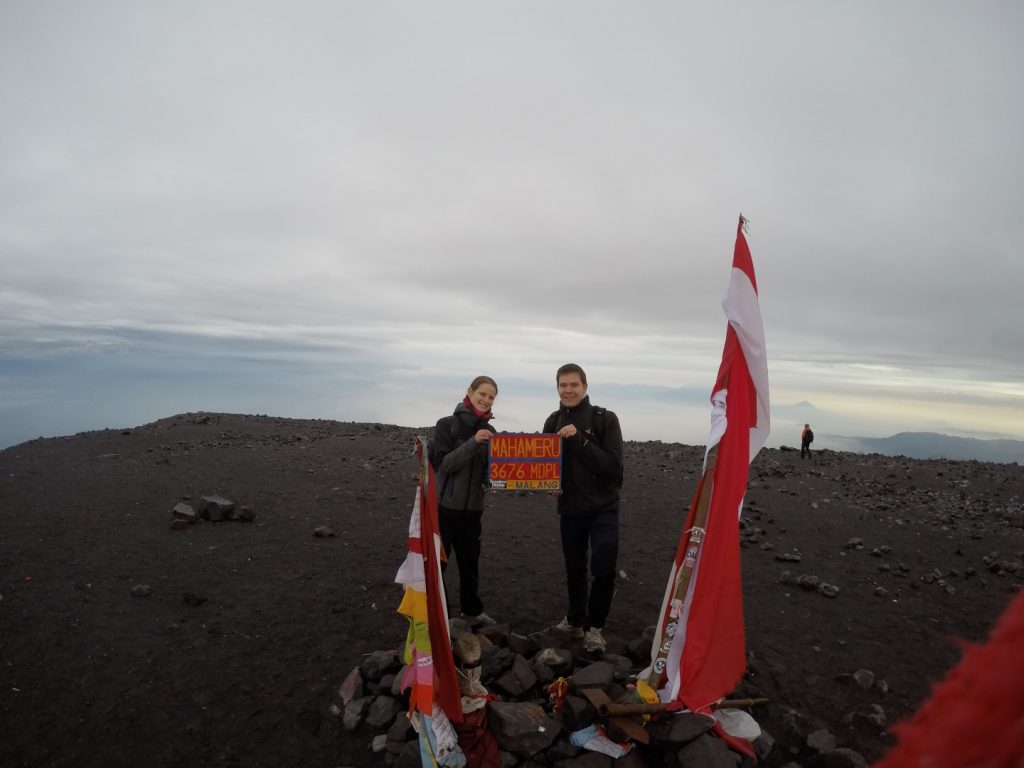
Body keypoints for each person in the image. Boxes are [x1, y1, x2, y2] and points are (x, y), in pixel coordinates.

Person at [543, 363, 624, 653]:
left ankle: (595, 629)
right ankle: (576, 621)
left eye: (573, 385)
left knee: (603, 566)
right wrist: (547, 483)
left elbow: (613, 469)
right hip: (570, 510)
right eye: (563, 385)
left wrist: (579, 439)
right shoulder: (552, 421)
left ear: (585, 387)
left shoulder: (605, 419)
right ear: (557, 388)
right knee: (574, 568)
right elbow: (545, 466)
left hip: (604, 508)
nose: (568, 390)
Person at [433, 376, 499, 627]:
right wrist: (474, 442)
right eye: (482, 393)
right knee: (439, 566)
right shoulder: (446, 425)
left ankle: (473, 611)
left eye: (491, 397)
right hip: (444, 512)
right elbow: (444, 464)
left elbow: (492, 471)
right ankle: (442, 616)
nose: (486, 399)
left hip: (472, 512)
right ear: (470, 392)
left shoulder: (491, 433)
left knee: (470, 565)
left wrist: (495, 480)